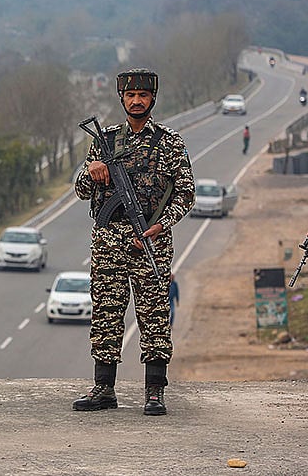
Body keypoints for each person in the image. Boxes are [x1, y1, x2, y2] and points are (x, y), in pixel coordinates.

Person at [72, 68, 195, 416]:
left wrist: (160, 226)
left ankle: (155, 390)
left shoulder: (170, 142)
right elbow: (81, 191)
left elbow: (185, 194)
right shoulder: (105, 140)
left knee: (154, 315)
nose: (137, 101)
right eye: (130, 96)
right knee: (106, 313)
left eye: (143, 95)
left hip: (150, 240)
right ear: (122, 99)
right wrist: (92, 171)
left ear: (153, 98)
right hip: (109, 240)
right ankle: (103, 388)